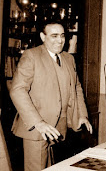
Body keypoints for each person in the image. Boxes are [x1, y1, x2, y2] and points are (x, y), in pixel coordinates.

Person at [9, 20, 93, 171]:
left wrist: (82, 114)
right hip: (37, 128)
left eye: (62, 36)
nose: (60, 40)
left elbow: (76, 87)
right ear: (43, 37)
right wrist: (38, 122)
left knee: (51, 168)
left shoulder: (69, 58)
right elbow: (17, 89)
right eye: (54, 36)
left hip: (60, 128)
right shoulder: (31, 56)